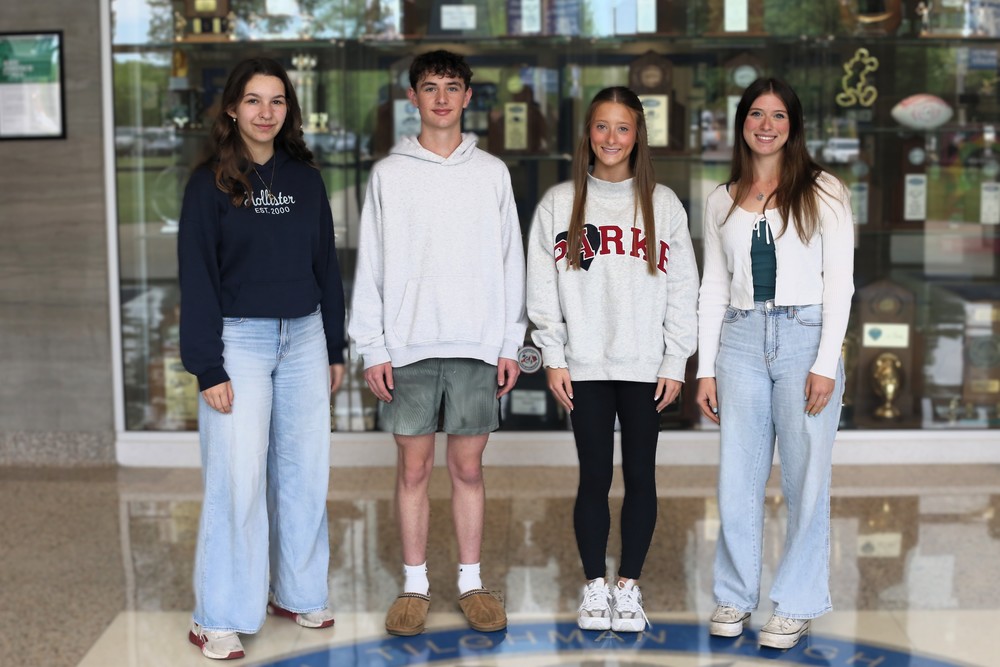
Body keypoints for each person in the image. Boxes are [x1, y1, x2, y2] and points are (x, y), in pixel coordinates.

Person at [348, 50, 527, 637]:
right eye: (431, 88)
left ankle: (472, 583)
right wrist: (373, 346)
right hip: (410, 344)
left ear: (469, 97)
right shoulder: (389, 175)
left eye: (453, 87)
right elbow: (369, 265)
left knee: (468, 468)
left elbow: (511, 263)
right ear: (413, 98)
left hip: (476, 344)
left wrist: (508, 341)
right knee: (414, 468)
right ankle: (415, 585)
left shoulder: (492, 173)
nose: (442, 98)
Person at [178, 57, 346, 660]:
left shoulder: (306, 178)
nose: (266, 112)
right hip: (238, 342)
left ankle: (297, 593)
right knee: (237, 479)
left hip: (302, 337)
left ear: (288, 111)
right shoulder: (208, 184)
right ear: (232, 108)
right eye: (253, 100)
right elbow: (195, 277)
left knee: (304, 475)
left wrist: (332, 345)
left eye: (277, 101)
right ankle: (216, 614)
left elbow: (325, 264)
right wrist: (207, 364)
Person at [526, 86, 699, 632]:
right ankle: (594, 588)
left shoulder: (664, 204)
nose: (611, 138)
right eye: (602, 126)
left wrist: (676, 360)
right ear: (588, 134)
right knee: (594, 476)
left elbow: (682, 288)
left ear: (638, 136)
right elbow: (541, 288)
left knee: (641, 476)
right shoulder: (559, 203)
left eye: (623, 128)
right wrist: (553, 355)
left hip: (646, 367)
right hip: (586, 367)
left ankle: (629, 586)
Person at [695, 77, 855, 650]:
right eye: (756, 114)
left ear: (794, 126)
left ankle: (796, 602)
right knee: (737, 476)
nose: (767, 125)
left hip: (804, 336)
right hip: (739, 339)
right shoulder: (721, 197)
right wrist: (705, 367)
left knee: (806, 476)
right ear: (742, 123)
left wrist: (826, 362)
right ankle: (735, 596)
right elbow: (714, 284)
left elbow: (841, 283)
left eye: (778, 115)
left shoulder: (825, 191)